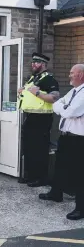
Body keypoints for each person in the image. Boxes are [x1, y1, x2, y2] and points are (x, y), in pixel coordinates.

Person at [39, 64, 84, 220]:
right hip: (66, 136)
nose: (69, 76)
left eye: (72, 73)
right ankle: (56, 193)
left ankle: (81, 208)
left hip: (79, 139)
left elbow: (71, 111)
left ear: (81, 75)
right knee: (60, 166)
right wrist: (64, 107)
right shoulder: (74, 91)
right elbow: (56, 104)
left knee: (80, 174)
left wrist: (64, 108)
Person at [17, 53, 60, 187]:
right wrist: (21, 91)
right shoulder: (33, 78)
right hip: (30, 116)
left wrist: (37, 92)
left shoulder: (48, 79)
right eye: (32, 62)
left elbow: (54, 98)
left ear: (43, 64)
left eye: (36, 62)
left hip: (42, 119)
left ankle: (41, 178)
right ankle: (31, 175)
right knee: (29, 148)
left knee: (39, 149)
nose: (33, 64)